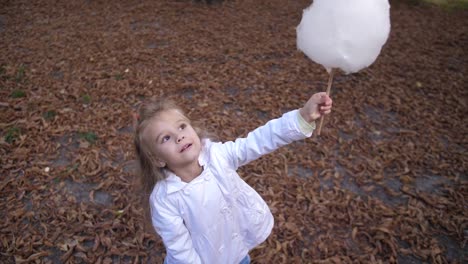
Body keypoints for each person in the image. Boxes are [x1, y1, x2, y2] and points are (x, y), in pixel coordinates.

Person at [134, 92, 332, 263]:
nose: (179, 136)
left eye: (182, 126)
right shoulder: (165, 199)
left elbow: (259, 140)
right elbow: (180, 248)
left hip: (235, 251)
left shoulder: (218, 156)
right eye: (165, 138)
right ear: (157, 159)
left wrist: (303, 116)